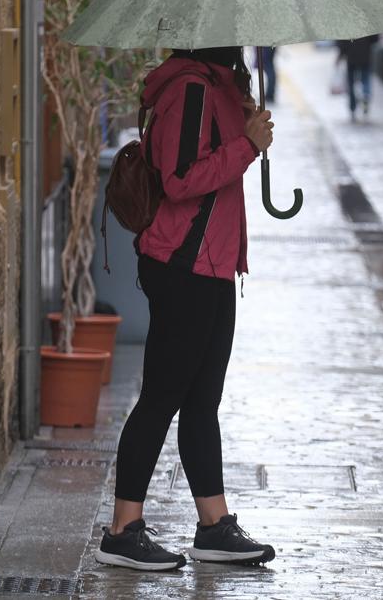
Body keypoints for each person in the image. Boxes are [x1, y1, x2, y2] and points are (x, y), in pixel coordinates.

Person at [94, 46, 276, 572]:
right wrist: (246, 145)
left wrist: (243, 120)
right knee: (161, 398)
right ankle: (122, 530)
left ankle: (214, 527)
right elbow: (178, 179)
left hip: (214, 266)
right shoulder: (189, 89)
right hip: (182, 265)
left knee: (202, 401)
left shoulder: (219, 86)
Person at [337, 34, 379, 122]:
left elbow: (341, 42)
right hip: (365, 55)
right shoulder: (367, 22)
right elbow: (375, 39)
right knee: (366, 79)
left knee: (351, 82)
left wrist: (341, 55)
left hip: (351, 56)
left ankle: (353, 106)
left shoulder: (346, 24)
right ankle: (365, 95)